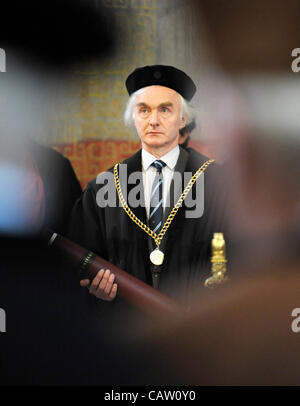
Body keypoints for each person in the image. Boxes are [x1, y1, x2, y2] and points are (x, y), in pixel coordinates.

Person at [68, 65, 227, 311]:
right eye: (144, 110)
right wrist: (95, 289)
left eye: (165, 109)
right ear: (133, 117)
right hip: (124, 331)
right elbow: (78, 268)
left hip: (198, 330)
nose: (153, 121)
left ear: (183, 118)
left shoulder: (218, 183)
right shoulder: (102, 189)